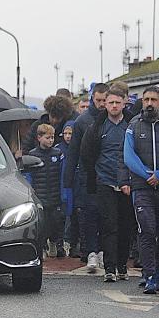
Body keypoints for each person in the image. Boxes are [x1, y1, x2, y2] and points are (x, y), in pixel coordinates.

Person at [122, 85, 159, 294]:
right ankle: (149, 275)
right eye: (146, 100)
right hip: (142, 187)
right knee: (147, 230)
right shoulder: (134, 124)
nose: (149, 104)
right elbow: (128, 156)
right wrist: (147, 175)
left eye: (153, 100)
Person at [81, 87, 135, 280]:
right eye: (110, 102)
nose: (113, 106)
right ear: (105, 104)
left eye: (117, 103)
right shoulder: (97, 126)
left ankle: (122, 266)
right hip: (105, 181)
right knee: (108, 225)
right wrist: (94, 175)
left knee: (125, 226)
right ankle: (110, 268)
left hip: (128, 183)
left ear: (124, 103)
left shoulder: (132, 125)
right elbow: (87, 153)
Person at [61, 83, 108, 261]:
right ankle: (91, 252)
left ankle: (104, 251)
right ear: (92, 99)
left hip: (108, 175)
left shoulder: (113, 119)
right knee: (89, 214)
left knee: (107, 216)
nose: (102, 104)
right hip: (87, 175)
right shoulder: (82, 121)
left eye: (104, 100)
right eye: (98, 100)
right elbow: (72, 153)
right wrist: (67, 183)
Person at [28, 124, 65, 257]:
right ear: (39, 138)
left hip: (55, 195)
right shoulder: (33, 155)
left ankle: (54, 243)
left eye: (52, 137)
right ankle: (42, 246)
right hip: (40, 195)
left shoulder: (58, 153)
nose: (51, 140)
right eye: (48, 138)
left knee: (56, 222)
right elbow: (29, 175)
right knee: (42, 224)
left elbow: (62, 174)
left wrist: (63, 193)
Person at [57, 121, 82, 257]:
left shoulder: (80, 148)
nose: (67, 136)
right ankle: (59, 244)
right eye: (65, 133)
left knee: (76, 217)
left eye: (70, 133)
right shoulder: (58, 150)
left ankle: (74, 245)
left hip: (77, 186)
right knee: (62, 217)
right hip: (62, 188)